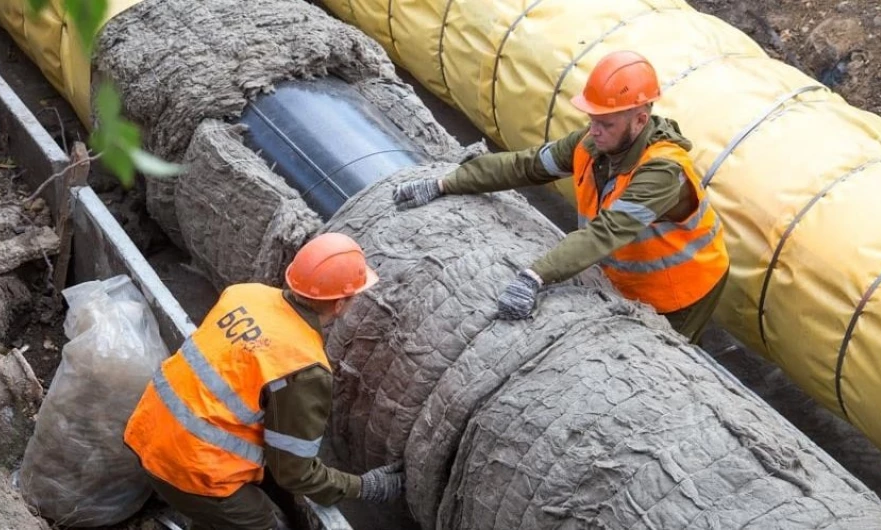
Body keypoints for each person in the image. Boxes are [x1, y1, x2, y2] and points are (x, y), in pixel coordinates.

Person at [393, 50, 729, 344]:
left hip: (679, 291)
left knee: (661, 365)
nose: (594, 132)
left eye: (606, 124)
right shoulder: (592, 143)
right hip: (625, 277)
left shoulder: (662, 171)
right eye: (592, 120)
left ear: (640, 120)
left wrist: (535, 275)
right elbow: (526, 165)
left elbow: (605, 232)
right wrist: (446, 184)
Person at [124, 232, 403, 529]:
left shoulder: (244, 294)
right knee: (269, 524)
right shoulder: (304, 367)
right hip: (188, 469)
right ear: (339, 304)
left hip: (147, 430)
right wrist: (364, 487)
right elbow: (294, 473)